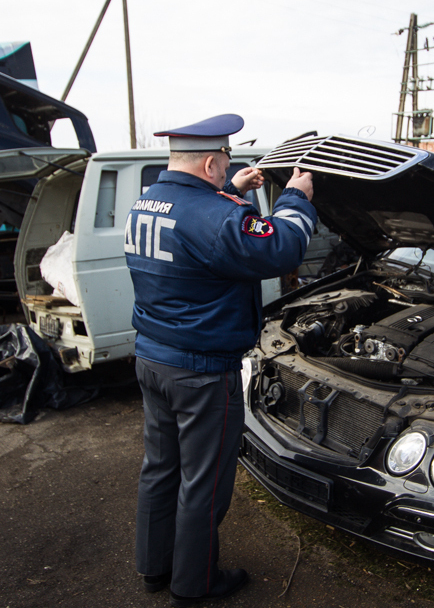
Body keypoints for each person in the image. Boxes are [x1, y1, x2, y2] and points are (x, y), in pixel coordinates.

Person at [126, 114, 317, 606]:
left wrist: (233, 187)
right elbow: (282, 247)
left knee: (161, 469)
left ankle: (154, 568)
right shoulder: (213, 216)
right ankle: (196, 584)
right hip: (201, 372)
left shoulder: (147, 202)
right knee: (204, 483)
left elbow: (201, 221)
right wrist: (297, 196)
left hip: (153, 359)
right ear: (210, 161)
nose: (228, 168)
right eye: (225, 163)